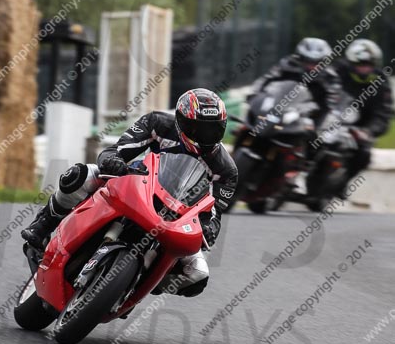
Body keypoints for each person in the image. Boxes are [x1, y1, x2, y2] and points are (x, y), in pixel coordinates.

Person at [22, 88, 237, 297]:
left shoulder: (226, 169)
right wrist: (113, 161)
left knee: (198, 275)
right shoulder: (158, 123)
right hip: (138, 183)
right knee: (79, 175)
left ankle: (144, 283)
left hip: (178, 215)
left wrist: (208, 228)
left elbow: (215, 213)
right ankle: (43, 226)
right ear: (181, 120)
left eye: (213, 129)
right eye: (197, 128)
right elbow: (117, 149)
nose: (205, 135)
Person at [332, 39, 394, 185]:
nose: (364, 68)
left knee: (364, 154)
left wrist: (369, 131)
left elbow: (383, 112)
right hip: (332, 120)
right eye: (360, 64)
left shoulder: (381, 82)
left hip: (360, 127)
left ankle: (342, 183)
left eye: (369, 65)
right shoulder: (336, 71)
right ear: (351, 62)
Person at [248, 37, 341, 129]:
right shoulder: (286, 64)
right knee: (249, 123)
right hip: (279, 108)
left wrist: (324, 108)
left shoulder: (330, 76)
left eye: (317, 62)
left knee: (324, 134)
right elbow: (267, 78)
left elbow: (333, 98)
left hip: (309, 116)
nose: (312, 66)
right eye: (307, 61)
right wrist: (254, 93)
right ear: (300, 57)